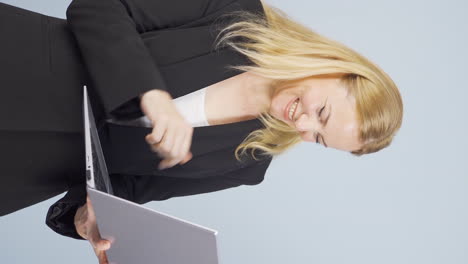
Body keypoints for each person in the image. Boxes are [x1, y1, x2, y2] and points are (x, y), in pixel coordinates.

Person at [0, 0, 403, 263]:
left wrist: (91, 219)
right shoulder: (237, 12)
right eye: (322, 113)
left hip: (19, 175)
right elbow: (99, 7)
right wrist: (150, 93)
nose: (302, 125)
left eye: (318, 138)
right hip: (17, 61)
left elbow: (127, 186)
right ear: (333, 66)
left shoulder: (247, 165)